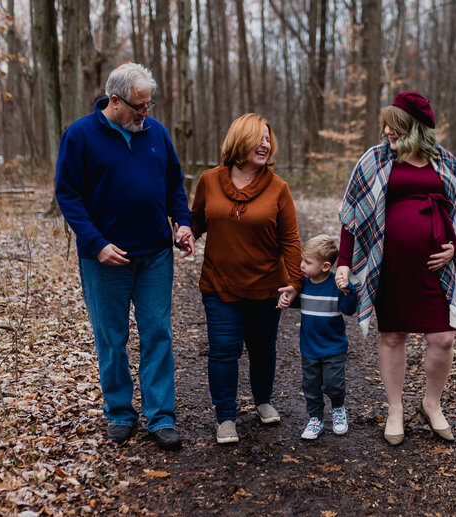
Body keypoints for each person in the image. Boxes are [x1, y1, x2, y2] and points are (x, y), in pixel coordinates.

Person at [55, 62, 194, 451]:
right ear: (115, 101)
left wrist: (182, 223)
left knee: (158, 334)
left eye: (149, 104)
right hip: (105, 260)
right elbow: (68, 196)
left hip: (154, 256)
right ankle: (120, 412)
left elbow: (174, 187)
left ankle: (160, 417)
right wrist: (96, 243)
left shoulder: (156, 133)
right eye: (138, 106)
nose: (145, 113)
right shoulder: (81, 136)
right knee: (111, 338)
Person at [335, 91, 456, 446]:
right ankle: (395, 409)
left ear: (414, 128)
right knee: (393, 335)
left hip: (434, 271)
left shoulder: (445, 162)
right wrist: (345, 263)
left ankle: (431, 403)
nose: (387, 131)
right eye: (386, 125)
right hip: (389, 266)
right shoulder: (375, 160)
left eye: (394, 126)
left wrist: (453, 248)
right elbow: (351, 216)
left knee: (442, 337)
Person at [191, 113, 302, 445]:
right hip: (219, 282)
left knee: (263, 348)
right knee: (223, 350)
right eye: (259, 137)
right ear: (239, 140)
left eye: (268, 139)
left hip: (267, 285)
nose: (265, 144)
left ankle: (263, 401)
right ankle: (225, 417)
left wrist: (295, 283)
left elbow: (291, 240)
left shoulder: (278, 188)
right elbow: (197, 221)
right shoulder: (209, 181)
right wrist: (185, 234)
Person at [278, 235, 357, 440]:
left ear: (325, 266)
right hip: (309, 348)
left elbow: (348, 311)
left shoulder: (335, 285)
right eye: (303, 260)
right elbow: (293, 300)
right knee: (311, 386)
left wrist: (350, 293)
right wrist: (286, 298)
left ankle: (338, 409)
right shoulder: (302, 284)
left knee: (333, 384)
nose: (302, 265)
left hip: (334, 347)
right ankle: (315, 419)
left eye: (308, 262)